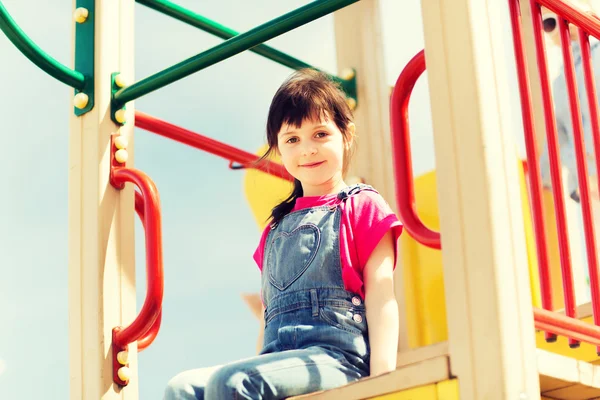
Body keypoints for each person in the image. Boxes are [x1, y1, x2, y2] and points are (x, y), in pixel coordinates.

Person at [163, 68, 403, 399]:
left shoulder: (362, 206)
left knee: (232, 383)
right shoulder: (276, 228)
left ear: (346, 135)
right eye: (293, 139)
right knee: (182, 388)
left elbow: (381, 297)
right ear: (279, 148)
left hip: (338, 359)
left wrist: (383, 380)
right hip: (278, 360)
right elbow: (268, 315)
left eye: (320, 134)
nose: (307, 149)